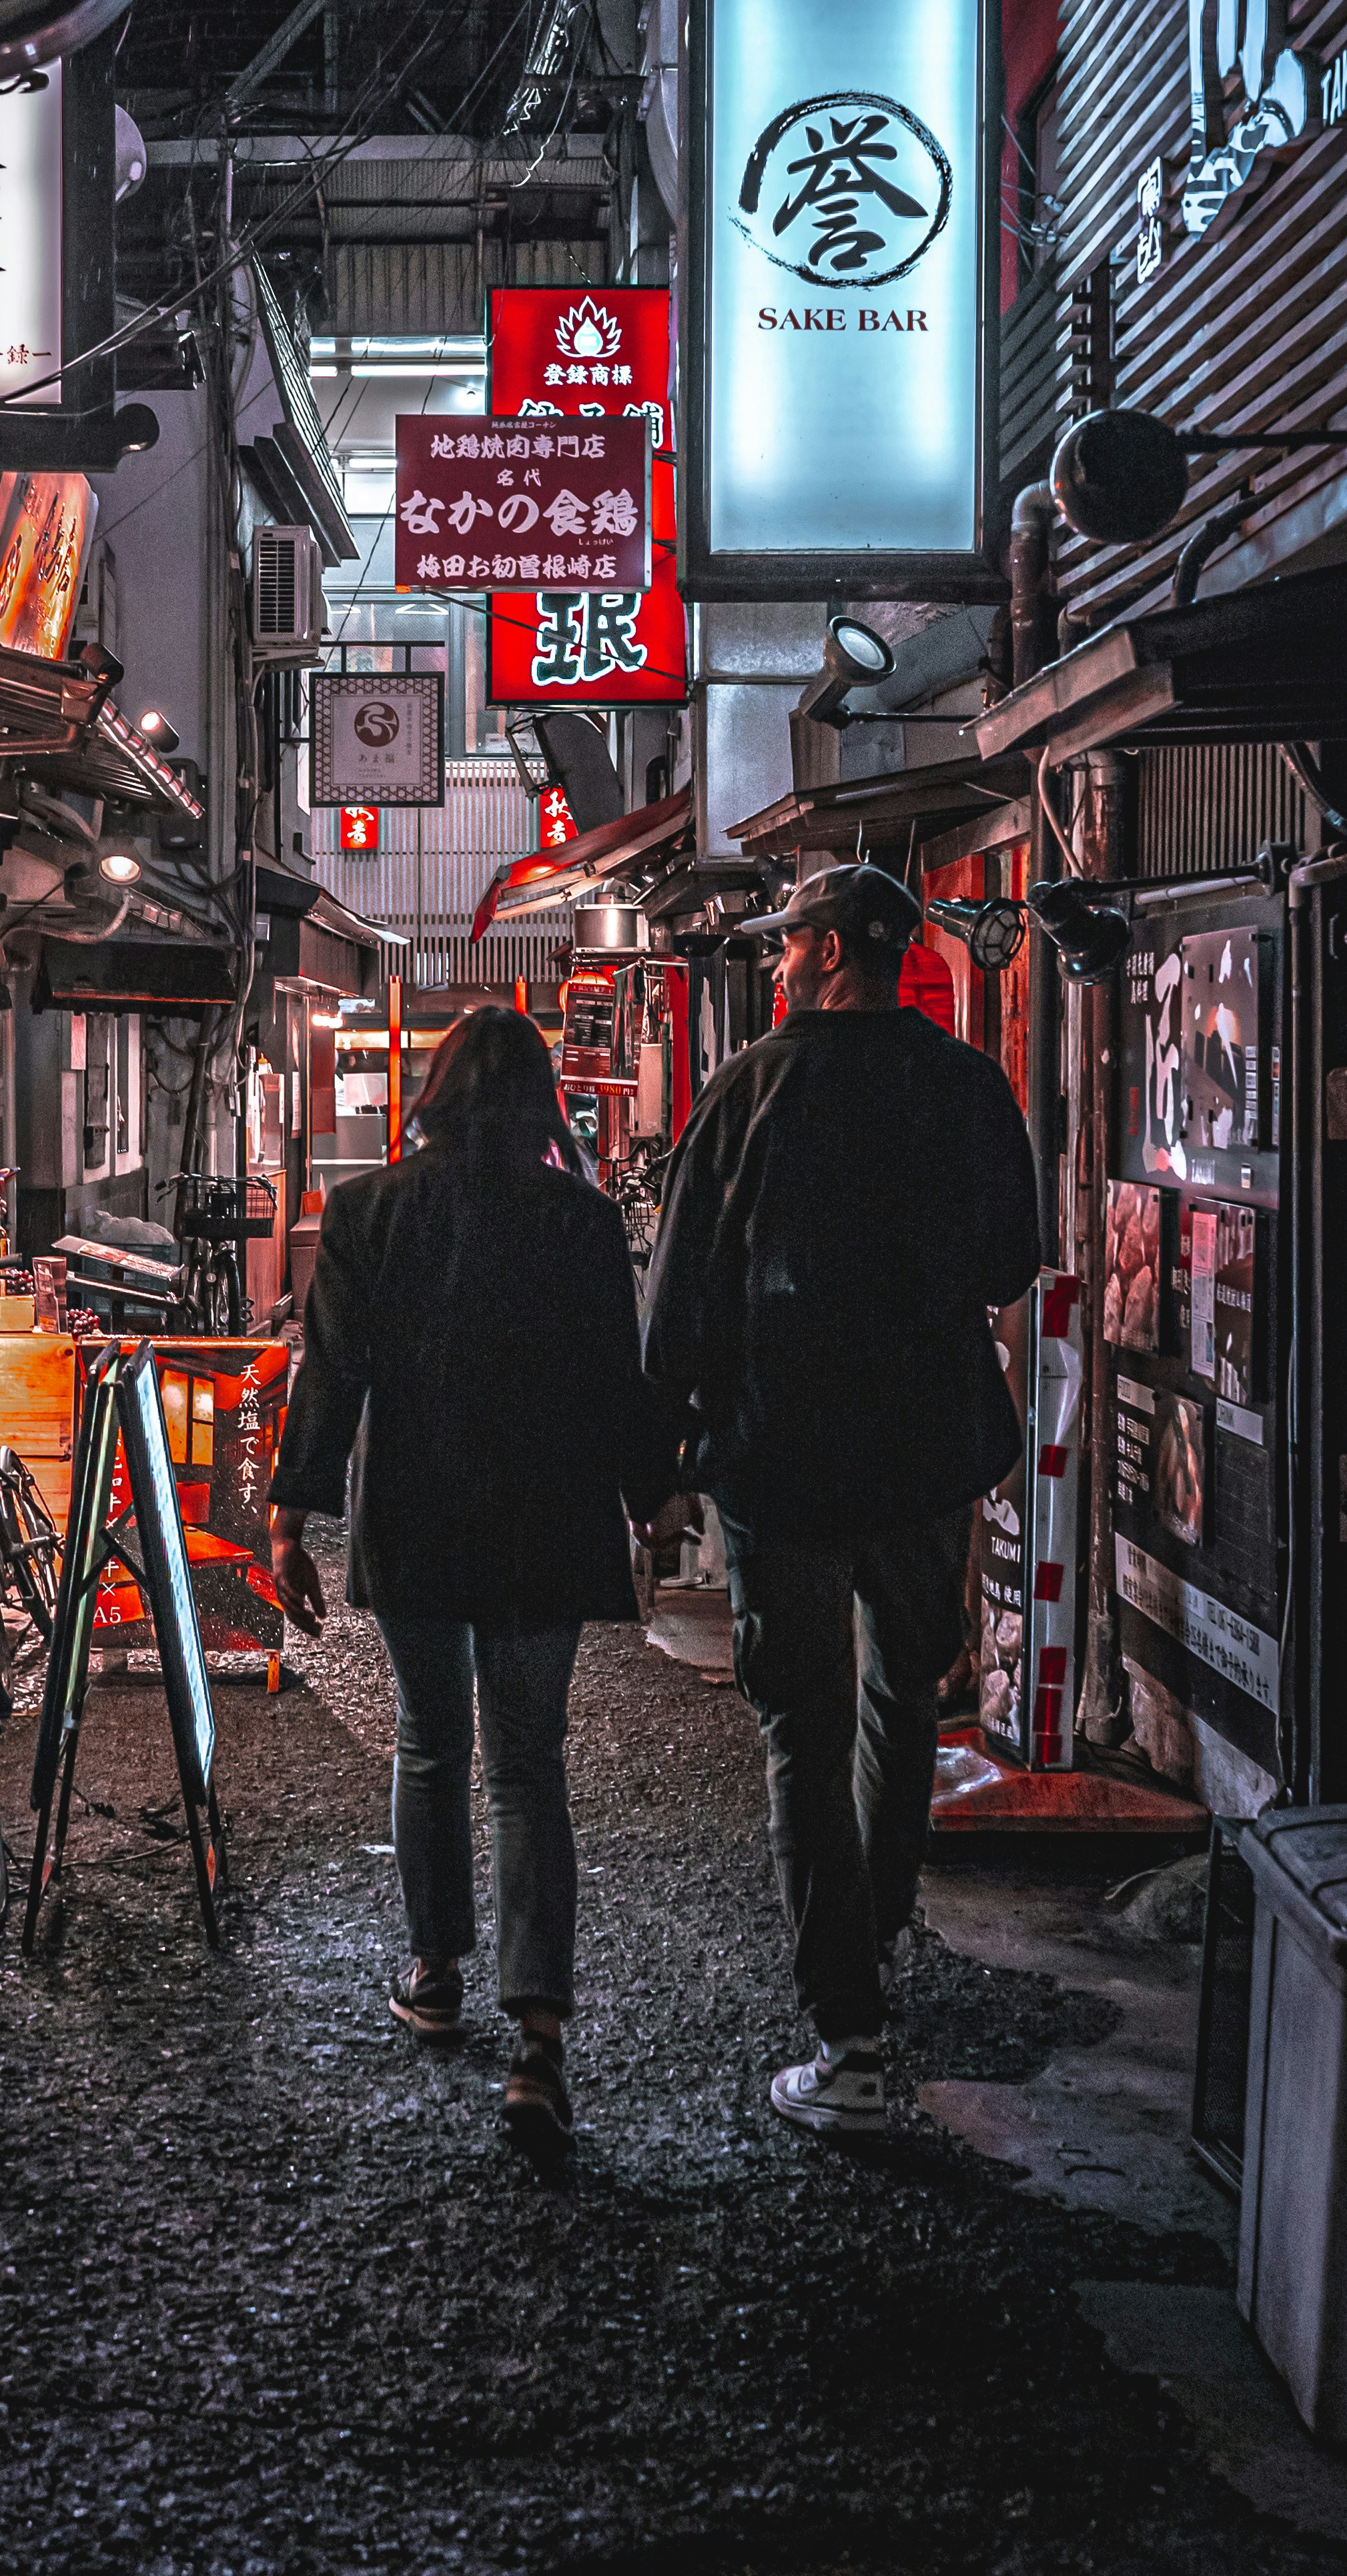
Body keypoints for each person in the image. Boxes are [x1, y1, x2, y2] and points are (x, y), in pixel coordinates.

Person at [642, 862, 1041, 2136]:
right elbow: (1005, 1260)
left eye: (781, 946)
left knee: (801, 1728)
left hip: (783, 1458)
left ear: (821, 950)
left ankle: (848, 2024)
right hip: (925, 1455)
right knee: (898, 1704)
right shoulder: (965, 1084)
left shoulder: (752, 1088)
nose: (771, 965)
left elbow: (679, 1298)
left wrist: (658, 1461)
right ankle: (874, 1951)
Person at [268, 1003, 675, 2160]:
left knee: (430, 1740)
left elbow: (330, 1379)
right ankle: (537, 2034)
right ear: (544, 1101)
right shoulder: (581, 1223)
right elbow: (618, 1376)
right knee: (529, 1764)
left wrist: (291, 1516)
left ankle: (434, 1968)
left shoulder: (367, 1211)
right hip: (543, 1525)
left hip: (419, 1519)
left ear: (433, 1097)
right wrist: (652, 1495)